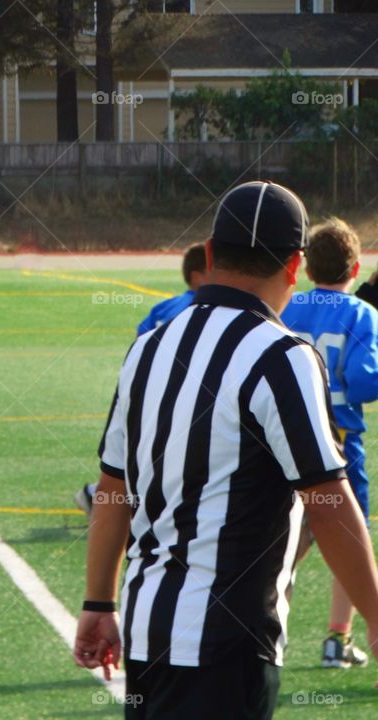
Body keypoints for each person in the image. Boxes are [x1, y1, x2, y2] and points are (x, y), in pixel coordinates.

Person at [74, 181, 378, 720]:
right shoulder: (282, 354)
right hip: (228, 640)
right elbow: (327, 500)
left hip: (148, 631)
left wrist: (99, 602)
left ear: (209, 255)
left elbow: (113, 491)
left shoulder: (149, 347)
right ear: (294, 265)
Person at [280, 217, 378, 669]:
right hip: (338, 443)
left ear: (305, 267)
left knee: (283, 542)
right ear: (355, 269)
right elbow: (360, 383)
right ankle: (337, 640)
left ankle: (266, 630)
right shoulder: (362, 314)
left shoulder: (289, 307)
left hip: (282, 439)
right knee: (350, 539)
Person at [75, 242, 208, 514]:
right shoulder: (199, 308)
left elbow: (140, 342)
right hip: (181, 392)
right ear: (196, 275)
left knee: (144, 453)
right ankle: (99, 496)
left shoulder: (164, 307)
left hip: (149, 389)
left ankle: (100, 494)